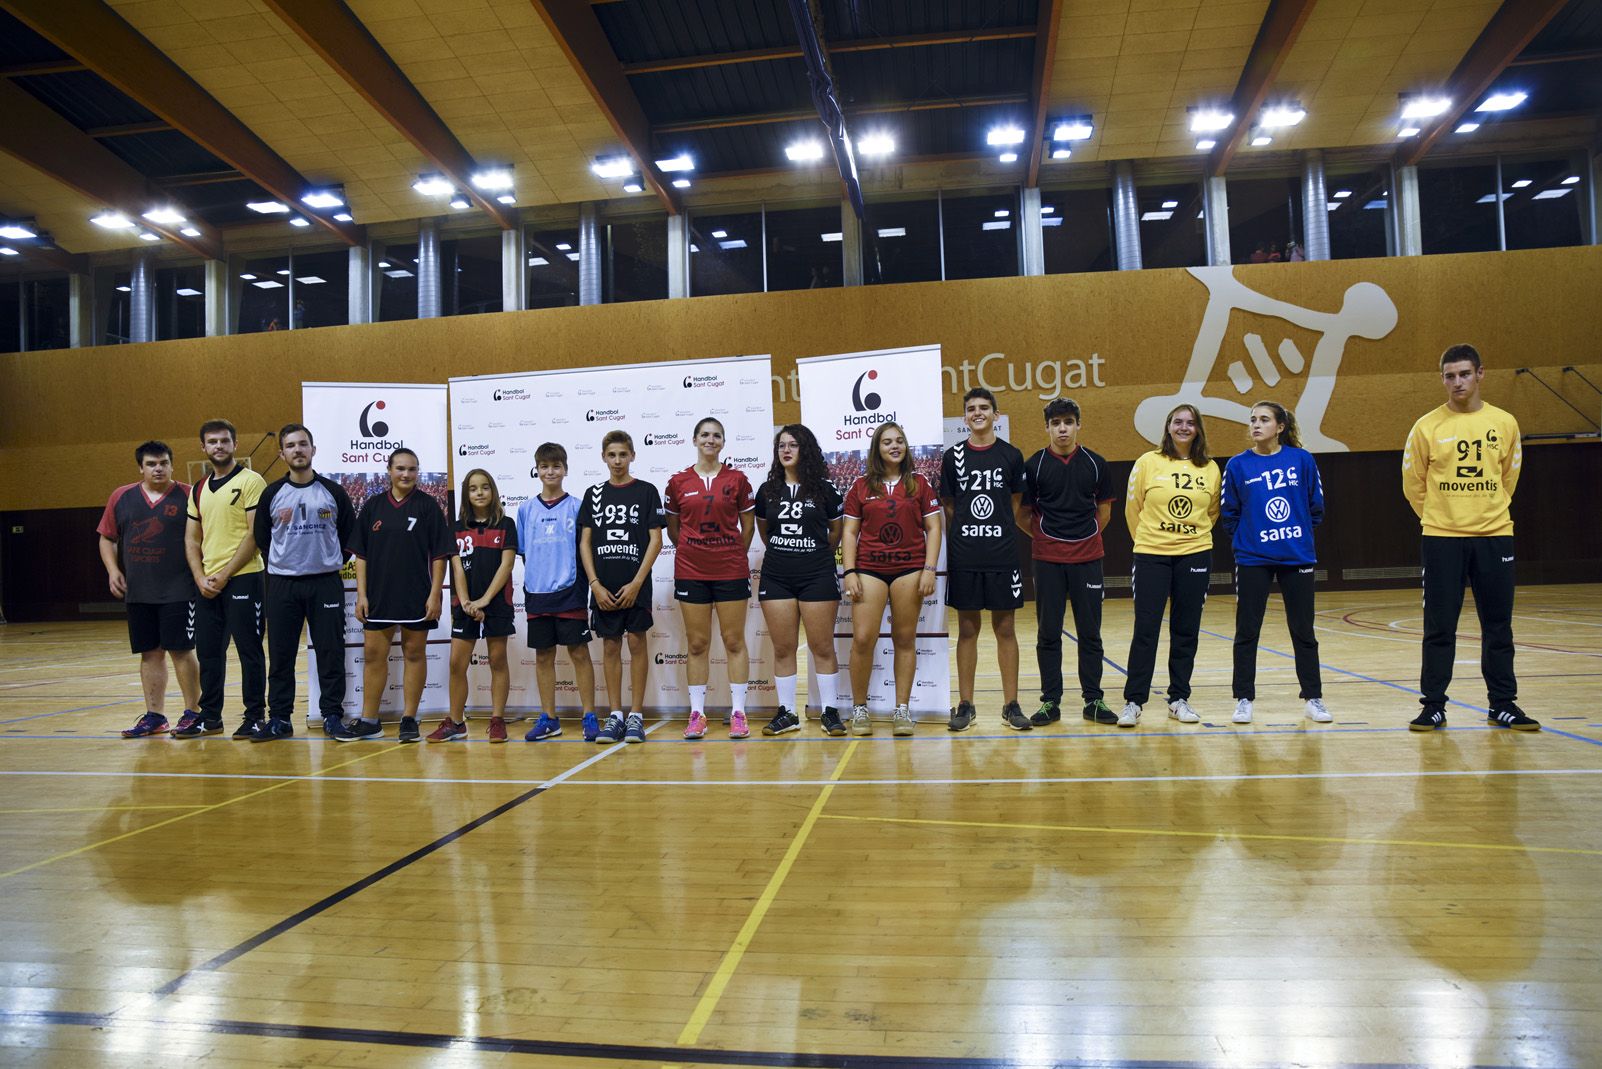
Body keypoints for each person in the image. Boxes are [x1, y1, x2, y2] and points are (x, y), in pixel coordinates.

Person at [1402, 344, 1537, 732]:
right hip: (1442, 538)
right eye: (1449, 375)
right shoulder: (1427, 426)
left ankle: (1503, 704)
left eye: (1464, 374)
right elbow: (1413, 484)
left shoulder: (1504, 422)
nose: (1457, 382)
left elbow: (1508, 477)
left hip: (1495, 536)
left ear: (1480, 374)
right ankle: (1434, 706)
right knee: (1439, 625)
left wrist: (1487, 513)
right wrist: (1441, 517)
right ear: (1442, 379)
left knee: (1498, 624)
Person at [1220, 401, 1331, 725]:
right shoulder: (1238, 465)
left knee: (1303, 630)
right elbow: (1229, 512)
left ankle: (1313, 698)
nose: (1256, 425)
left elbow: (1316, 507)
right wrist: (1247, 539)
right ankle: (1244, 698)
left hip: (1296, 557)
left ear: (1280, 426)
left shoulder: (1301, 460)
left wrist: (1294, 534)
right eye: (1253, 419)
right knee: (1247, 630)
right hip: (1254, 558)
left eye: (1264, 420)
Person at [338, 448, 453, 742]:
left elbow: (440, 555)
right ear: (389, 470)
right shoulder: (373, 506)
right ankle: (369, 720)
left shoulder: (428, 506)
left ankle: (409, 719)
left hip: (417, 595)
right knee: (374, 655)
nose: (406, 474)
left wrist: (435, 593)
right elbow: (360, 555)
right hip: (378, 596)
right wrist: (361, 595)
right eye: (400, 468)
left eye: (412, 469)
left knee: (414, 654)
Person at [1119, 404, 1221, 728]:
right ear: (1168, 426)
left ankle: (1179, 699)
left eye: (1190, 423)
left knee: (1186, 629)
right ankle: (1134, 701)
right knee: (1146, 630)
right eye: (1178, 421)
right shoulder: (1148, 462)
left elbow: (1213, 512)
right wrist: (1150, 542)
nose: (1183, 427)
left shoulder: (1210, 468)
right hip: (1151, 555)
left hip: (1195, 554)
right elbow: (1132, 507)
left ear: (1198, 429)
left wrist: (1189, 541)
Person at [253, 423, 355, 741]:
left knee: (330, 651)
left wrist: (321, 561)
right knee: (281, 654)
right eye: (291, 445)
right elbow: (262, 538)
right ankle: (280, 719)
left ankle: (333, 716)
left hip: (325, 583)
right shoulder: (271, 494)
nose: (298, 450)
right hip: (283, 585)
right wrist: (289, 563)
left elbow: (349, 536)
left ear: (313, 449)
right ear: (282, 453)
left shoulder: (333, 492)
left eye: (303, 444)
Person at [1019, 398, 1117, 728]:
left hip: (1088, 559)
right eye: (1056, 423)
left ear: (1078, 425)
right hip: (1047, 561)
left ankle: (1093, 699)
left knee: (1090, 633)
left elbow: (1104, 512)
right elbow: (1023, 515)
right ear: (1046, 427)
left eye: (1069, 422)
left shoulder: (1096, 463)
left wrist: (1082, 539)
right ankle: (1051, 702)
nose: (1063, 428)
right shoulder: (1034, 465)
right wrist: (1048, 540)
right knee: (1048, 633)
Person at [842, 421, 943, 737]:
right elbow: (849, 531)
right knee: (862, 638)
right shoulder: (860, 485)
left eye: (899, 440)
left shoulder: (920, 484)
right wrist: (849, 571)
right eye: (887, 442)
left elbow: (935, 529)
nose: (895, 446)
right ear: (877, 448)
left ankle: (902, 710)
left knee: (904, 639)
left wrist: (929, 569)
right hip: (869, 569)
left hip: (910, 569)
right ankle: (860, 710)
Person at [98, 441, 201, 738]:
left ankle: (193, 713)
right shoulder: (122, 497)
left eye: (164, 463)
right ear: (140, 468)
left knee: (181, 650)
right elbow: (107, 538)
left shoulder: (188, 495)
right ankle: (155, 716)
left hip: (180, 588)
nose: (158, 468)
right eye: (152, 464)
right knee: (150, 653)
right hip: (139, 590)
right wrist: (113, 570)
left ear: (172, 465)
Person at [941, 387, 1028, 731]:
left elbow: (1015, 503)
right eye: (972, 409)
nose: (978, 412)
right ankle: (966, 705)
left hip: (1002, 554)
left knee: (1005, 627)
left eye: (984, 407)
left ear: (995, 415)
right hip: (965, 554)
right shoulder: (954, 457)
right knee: (967, 628)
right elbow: (950, 505)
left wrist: (996, 528)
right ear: (964, 417)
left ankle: (1011, 704)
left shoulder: (1011, 455)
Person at [665, 417, 756, 740]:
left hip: (730, 569)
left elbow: (749, 526)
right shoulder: (678, 482)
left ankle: (739, 713)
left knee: (734, 641)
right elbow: (674, 529)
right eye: (705, 434)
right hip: (691, 570)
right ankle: (697, 714)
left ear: (723, 442)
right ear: (694, 440)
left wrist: (731, 554)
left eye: (717, 435)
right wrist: (693, 550)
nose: (710, 440)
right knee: (698, 643)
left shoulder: (738, 479)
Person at [178, 418, 266, 739]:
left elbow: (255, 535)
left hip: (243, 578)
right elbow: (191, 539)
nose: (219, 446)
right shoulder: (198, 488)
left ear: (235, 445)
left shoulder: (252, 480)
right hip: (207, 585)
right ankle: (210, 717)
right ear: (203, 447)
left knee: (249, 650)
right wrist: (201, 577)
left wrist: (225, 574)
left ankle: (255, 716)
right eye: (212, 442)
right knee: (209, 653)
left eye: (224, 441)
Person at [754, 424, 844, 736]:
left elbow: (835, 534)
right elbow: (766, 533)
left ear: (804, 449)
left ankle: (830, 711)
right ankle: (788, 712)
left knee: (822, 646)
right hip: (777, 574)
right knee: (783, 648)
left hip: (817, 572)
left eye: (793, 445)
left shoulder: (826, 489)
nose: (786, 450)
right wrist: (788, 552)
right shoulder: (766, 492)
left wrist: (812, 553)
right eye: (781, 446)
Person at [579, 431, 663, 745]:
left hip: (636, 584)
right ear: (603, 457)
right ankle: (615, 715)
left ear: (632, 456)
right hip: (604, 586)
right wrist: (595, 584)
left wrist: (638, 582)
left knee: (638, 645)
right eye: (612, 455)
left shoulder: (646, 491)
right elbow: (585, 543)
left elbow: (656, 540)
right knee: (611, 647)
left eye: (623, 455)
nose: (617, 461)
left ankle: (636, 716)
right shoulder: (594, 493)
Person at [517, 443, 599, 742]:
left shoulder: (577, 506)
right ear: (536, 469)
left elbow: (584, 549)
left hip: (570, 590)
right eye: (544, 466)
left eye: (556, 465)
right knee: (543, 656)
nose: (550, 471)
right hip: (537, 592)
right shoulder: (525, 509)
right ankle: (550, 718)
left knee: (579, 652)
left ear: (565, 469)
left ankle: (590, 714)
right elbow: (525, 553)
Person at [430, 469, 518, 742]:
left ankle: (497, 720)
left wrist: (485, 600)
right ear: (466, 494)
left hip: (496, 603)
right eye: (473, 488)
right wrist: (468, 603)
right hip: (464, 605)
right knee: (457, 664)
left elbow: (507, 565)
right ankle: (456, 723)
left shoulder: (506, 525)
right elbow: (457, 569)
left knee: (498, 660)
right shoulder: (455, 528)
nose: (479, 492)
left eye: (485, 487)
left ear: (493, 491)